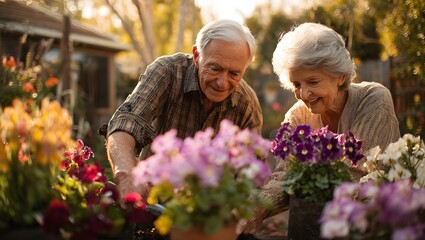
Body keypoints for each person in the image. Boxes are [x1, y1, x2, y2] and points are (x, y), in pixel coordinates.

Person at [241, 22, 400, 234]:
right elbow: (283, 176)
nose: (304, 94)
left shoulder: (374, 100)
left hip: (380, 222)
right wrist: (252, 211)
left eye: (313, 82)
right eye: (297, 85)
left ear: (340, 76)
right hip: (322, 225)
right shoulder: (297, 116)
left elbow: (356, 174)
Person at [104, 19, 263, 200]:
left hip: (208, 212)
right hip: (151, 198)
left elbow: (251, 172)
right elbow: (126, 123)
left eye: (234, 73)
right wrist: (126, 176)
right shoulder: (168, 72)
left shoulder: (246, 104)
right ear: (196, 55)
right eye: (215, 68)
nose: (222, 82)